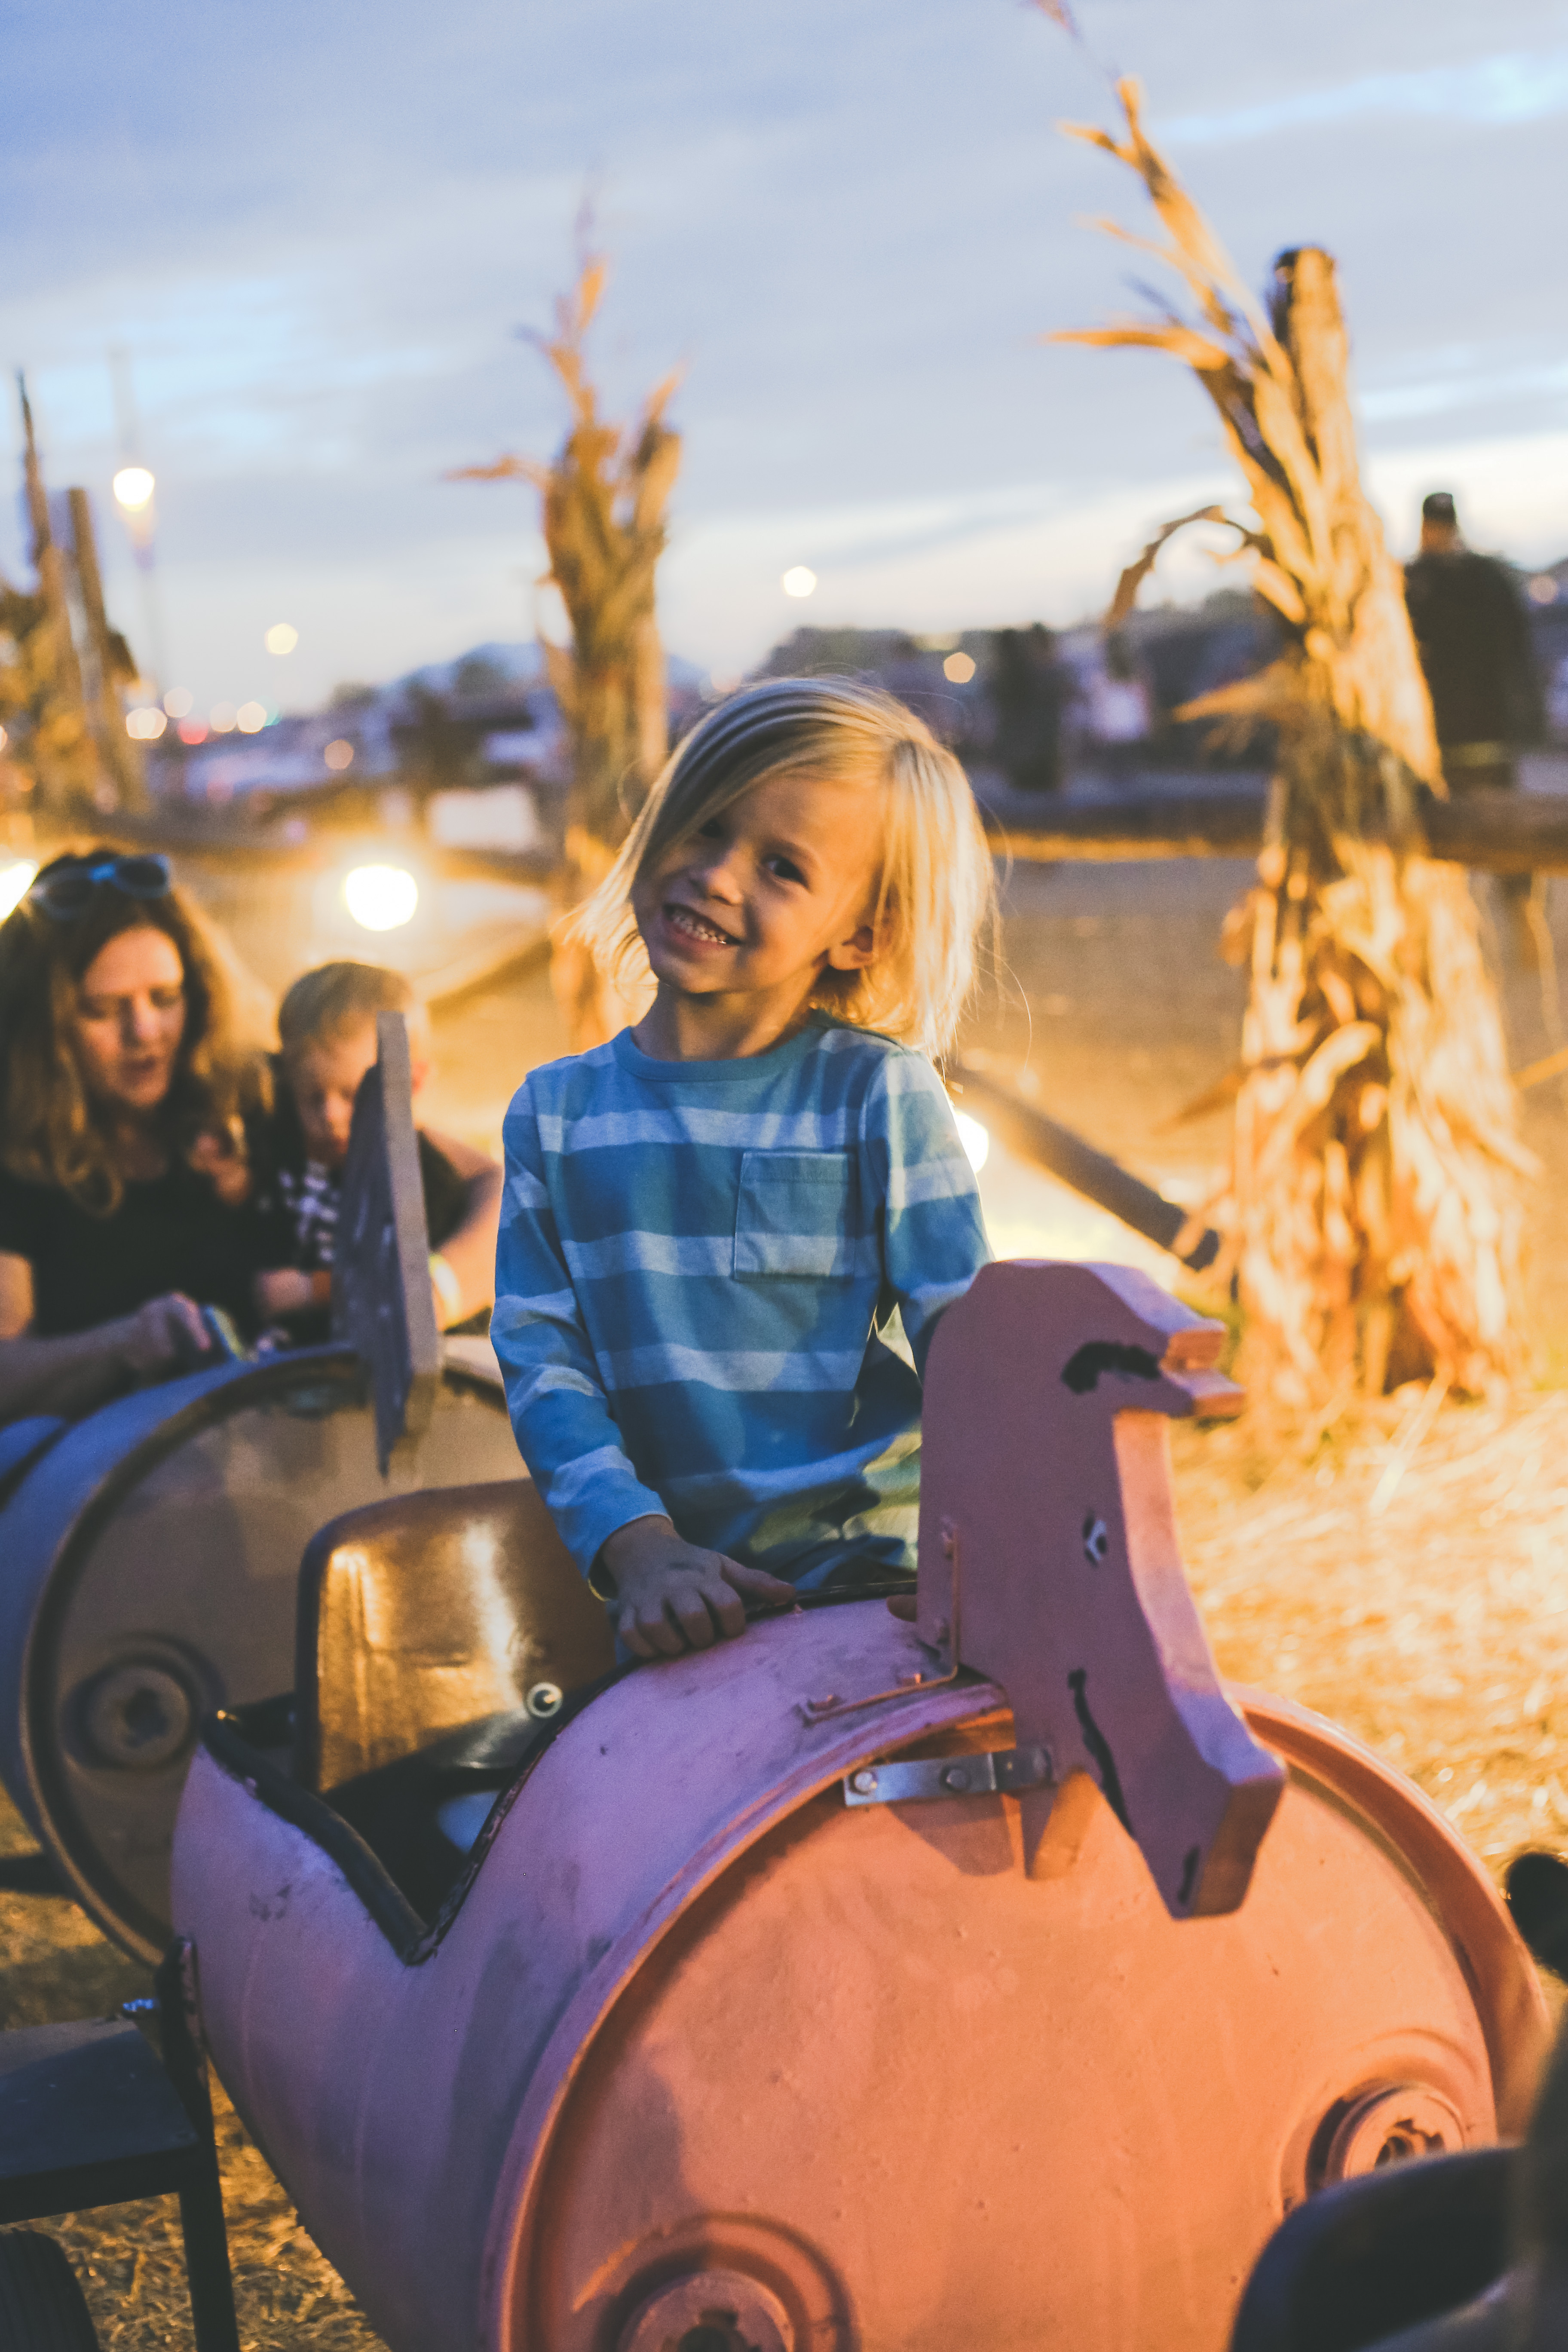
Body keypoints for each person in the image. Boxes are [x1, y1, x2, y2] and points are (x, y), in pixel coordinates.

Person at [492, 677, 995, 1661]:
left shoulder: (876, 1096)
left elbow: (970, 1353)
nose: (718, 875)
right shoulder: (554, 1115)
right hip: (668, 1596)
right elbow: (547, 1368)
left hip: (874, 1585)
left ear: (861, 935)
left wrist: (987, 1557)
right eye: (705, 826)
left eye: (780, 867)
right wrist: (640, 1550)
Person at [0, 848, 269, 1425]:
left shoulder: (253, 1097)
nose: (144, 1032)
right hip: (101, 1490)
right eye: (101, 1009)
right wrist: (122, 1342)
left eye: (165, 998)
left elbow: (483, 1183)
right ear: (40, 1027)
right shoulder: (14, 1158)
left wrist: (436, 1285)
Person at [251, 961, 502, 1341]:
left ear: (413, 1084)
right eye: (312, 1097)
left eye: (354, 1096)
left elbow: (396, 1281)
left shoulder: (425, 1178)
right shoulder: (290, 1156)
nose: (331, 1115)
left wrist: (309, 1290)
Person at [1405, 490, 1547, 940]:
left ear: (1427, 526)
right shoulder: (1488, 578)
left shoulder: (1413, 582)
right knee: (1501, 824)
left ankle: (1458, 927)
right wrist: (1525, 713)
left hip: (1436, 735)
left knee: (1437, 828)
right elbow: (1518, 649)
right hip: (1487, 729)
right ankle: (1520, 916)